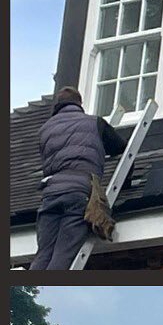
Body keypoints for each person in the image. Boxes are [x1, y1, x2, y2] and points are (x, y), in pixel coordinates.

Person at [30, 86, 126, 271]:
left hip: (50, 193)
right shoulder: (94, 122)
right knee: (63, 256)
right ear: (79, 104)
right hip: (78, 193)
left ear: (56, 107)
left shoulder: (44, 130)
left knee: (43, 254)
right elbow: (120, 147)